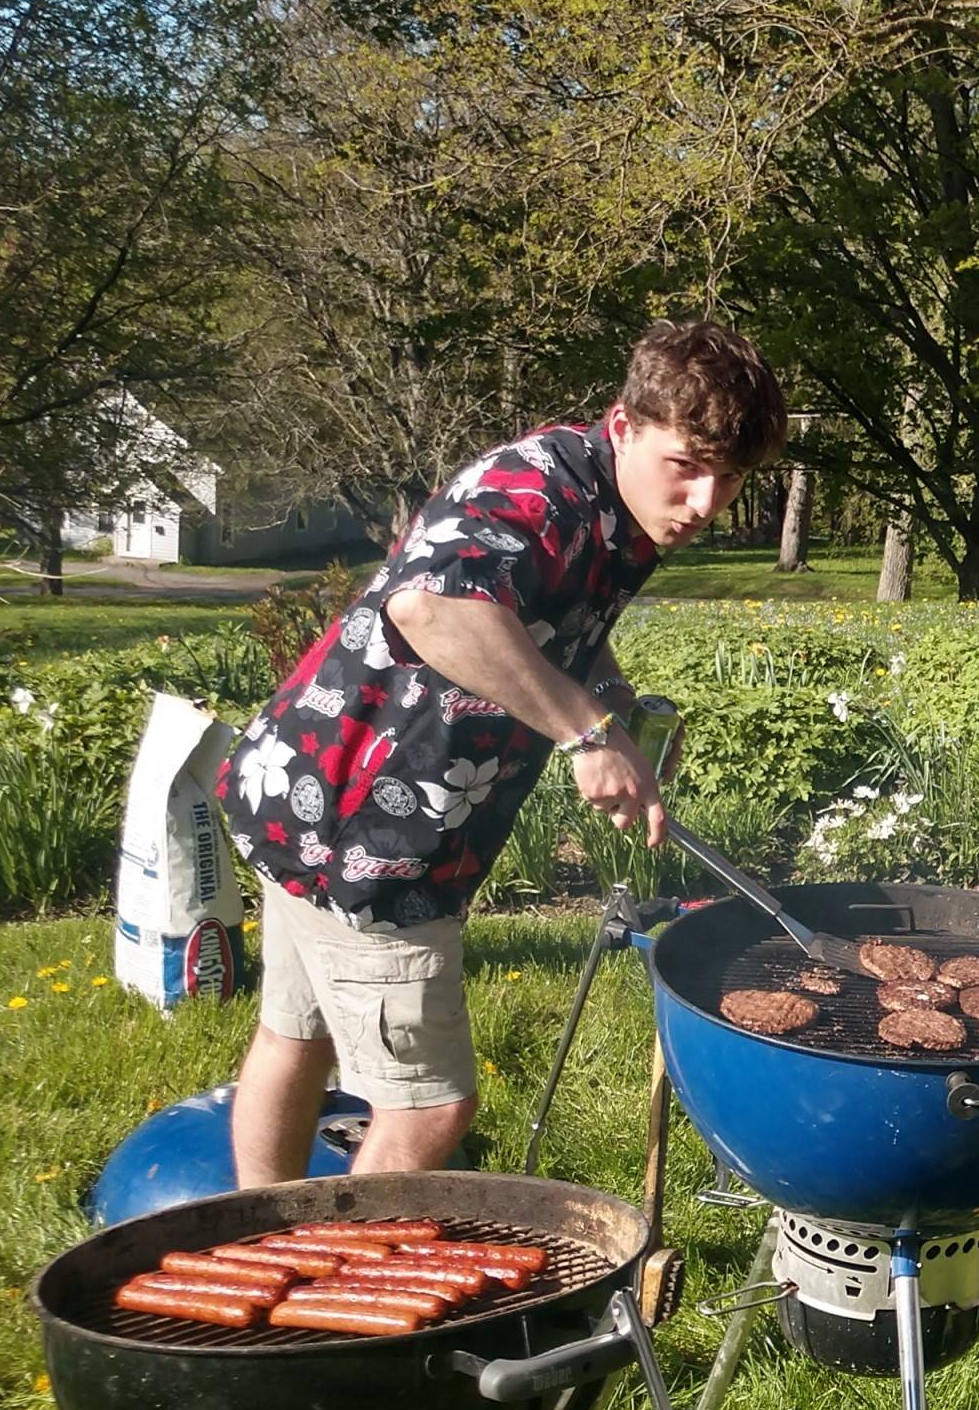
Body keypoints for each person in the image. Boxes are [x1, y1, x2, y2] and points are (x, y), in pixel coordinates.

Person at [219, 320, 792, 1185]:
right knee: (429, 1108)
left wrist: (611, 695)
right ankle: (330, 1272)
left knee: (296, 1036)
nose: (705, 502)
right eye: (687, 465)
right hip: (370, 834)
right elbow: (431, 608)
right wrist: (585, 732)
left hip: (305, 788)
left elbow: (547, 606)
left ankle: (261, 1232)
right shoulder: (538, 491)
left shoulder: (607, 499)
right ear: (624, 425)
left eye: (731, 478)